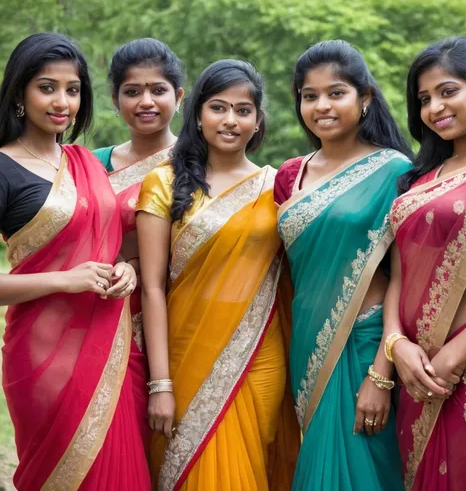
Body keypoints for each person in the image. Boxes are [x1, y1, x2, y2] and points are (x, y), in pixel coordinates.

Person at [136, 59, 299, 490]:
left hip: (260, 356)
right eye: (218, 107)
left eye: (243, 110)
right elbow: (152, 289)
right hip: (184, 355)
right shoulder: (163, 183)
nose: (230, 120)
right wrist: (161, 383)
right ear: (198, 115)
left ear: (258, 120)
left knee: (251, 469)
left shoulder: (278, 187)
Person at [0, 33, 150, 490]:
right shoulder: (3, 168)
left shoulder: (84, 161)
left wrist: (130, 269)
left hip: (114, 345)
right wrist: (66, 280)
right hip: (43, 356)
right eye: (47, 87)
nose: (62, 100)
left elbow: (114, 248)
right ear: (20, 94)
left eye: (73, 88)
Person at [274, 39, 412, 490]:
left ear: (365, 98)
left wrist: (382, 374)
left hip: (364, 348)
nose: (321, 106)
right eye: (309, 96)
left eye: (336, 93)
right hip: (304, 344)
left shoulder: (395, 172)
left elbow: (404, 277)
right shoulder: (290, 175)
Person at [388, 36, 466, 490]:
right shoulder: (420, 181)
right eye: (424, 99)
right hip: (415, 371)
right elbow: (399, 272)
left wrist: (451, 358)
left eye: (447, 91)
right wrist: (396, 344)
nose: (434, 107)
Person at [93, 38, 185, 448]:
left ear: (179, 97)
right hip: (96, 319)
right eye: (132, 92)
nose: (146, 101)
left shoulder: (200, 163)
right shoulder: (90, 164)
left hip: (177, 321)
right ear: (115, 99)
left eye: (158, 90)